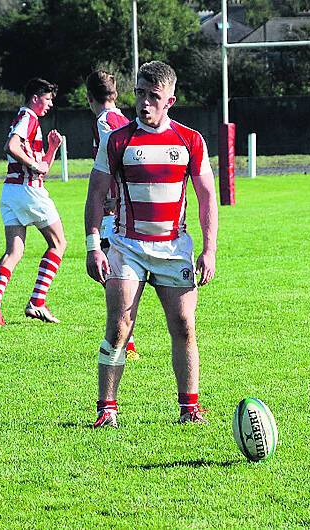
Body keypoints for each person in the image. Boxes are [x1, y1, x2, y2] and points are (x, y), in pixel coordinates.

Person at [84, 61, 218, 428]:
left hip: (174, 248)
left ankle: (189, 409)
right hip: (127, 246)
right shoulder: (118, 140)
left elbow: (207, 197)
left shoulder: (190, 140)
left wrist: (210, 249)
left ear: (169, 101)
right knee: (119, 326)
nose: (144, 102)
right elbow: (96, 194)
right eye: (140, 94)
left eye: (153, 96)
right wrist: (94, 245)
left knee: (184, 325)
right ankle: (106, 409)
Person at [0, 78, 67, 325]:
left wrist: (51, 149)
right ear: (35, 98)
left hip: (10, 191)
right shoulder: (28, 117)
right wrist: (31, 163)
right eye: (48, 99)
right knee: (59, 243)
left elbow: (43, 168)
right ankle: (37, 302)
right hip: (29, 191)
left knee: (15, 251)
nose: (50, 104)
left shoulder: (27, 119)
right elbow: (11, 146)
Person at [86, 70, 138, 360]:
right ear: (116, 94)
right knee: (117, 274)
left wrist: (111, 196)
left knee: (114, 275)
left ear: (89, 97)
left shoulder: (105, 122)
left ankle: (125, 344)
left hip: (115, 210)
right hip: (126, 206)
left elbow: (117, 161)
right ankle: (126, 341)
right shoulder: (124, 119)